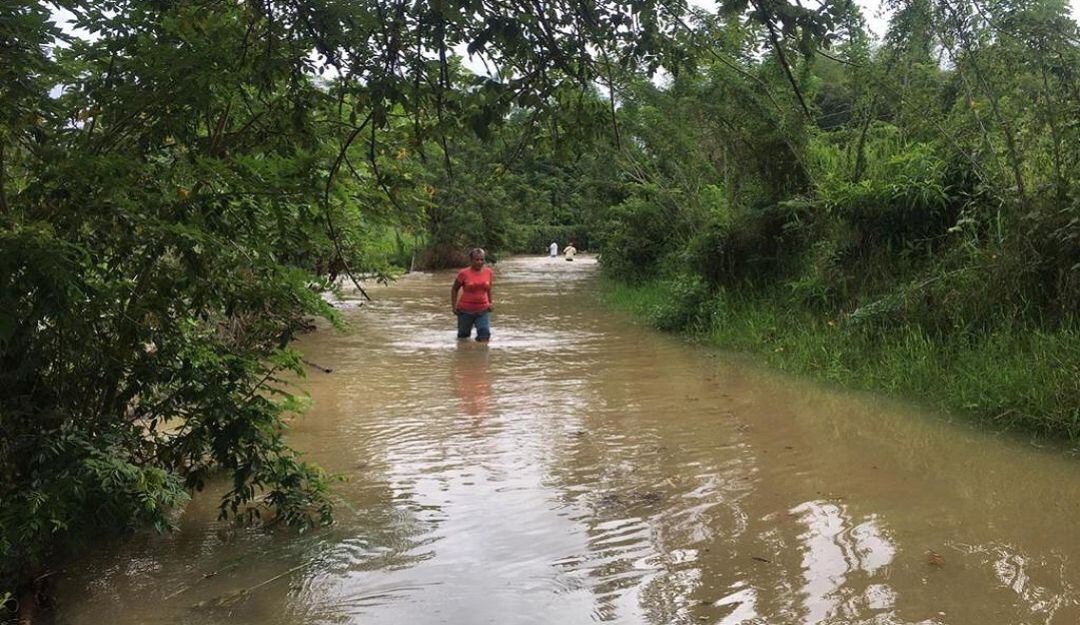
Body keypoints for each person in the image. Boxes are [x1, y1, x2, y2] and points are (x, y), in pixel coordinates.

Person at [451, 248, 493, 342]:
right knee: (463, 338)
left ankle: (480, 356)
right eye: (477, 259)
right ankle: (465, 355)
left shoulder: (488, 272)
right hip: (465, 311)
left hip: (483, 310)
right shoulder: (463, 273)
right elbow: (454, 289)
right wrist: (454, 307)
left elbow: (489, 288)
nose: (479, 262)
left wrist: (490, 302)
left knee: (484, 336)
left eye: (482, 259)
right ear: (471, 260)